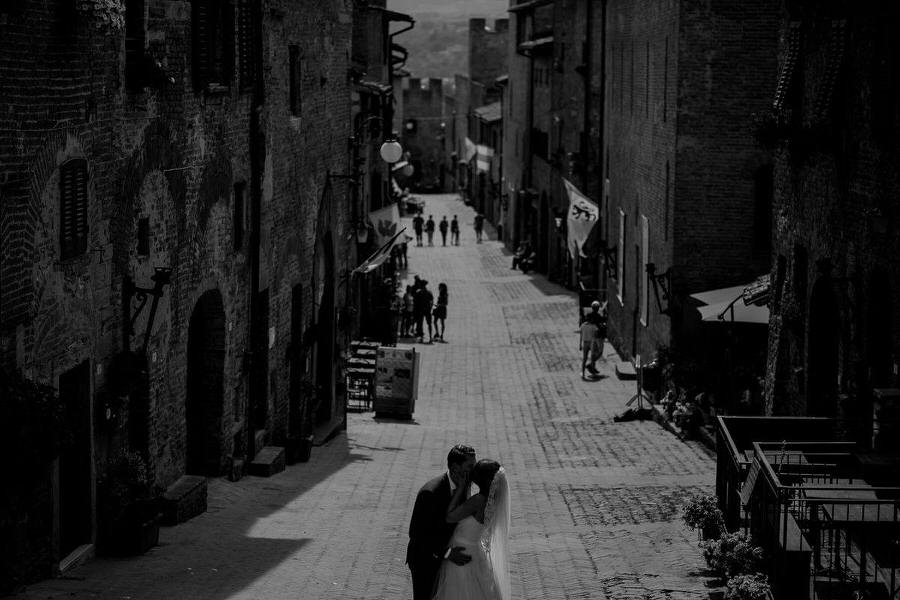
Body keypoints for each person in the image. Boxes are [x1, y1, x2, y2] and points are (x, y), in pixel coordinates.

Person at [431, 459, 511, 600]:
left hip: (461, 552)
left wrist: (461, 488)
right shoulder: (493, 501)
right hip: (475, 551)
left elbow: (450, 517)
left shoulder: (478, 501)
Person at [407, 445, 478, 600]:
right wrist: (447, 553)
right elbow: (417, 534)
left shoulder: (464, 486)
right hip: (426, 560)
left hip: (450, 561)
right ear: (454, 467)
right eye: (470, 466)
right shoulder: (431, 493)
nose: (473, 471)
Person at [579, 313, 601, 378]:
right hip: (592, 343)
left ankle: (582, 372)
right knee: (592, 358)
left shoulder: (583, 325)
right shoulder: (594, 326)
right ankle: (593, 372)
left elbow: (581, 335)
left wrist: (580, 344)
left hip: (585, 343)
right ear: (591, 319)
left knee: (584, 358)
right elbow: (596, 335)